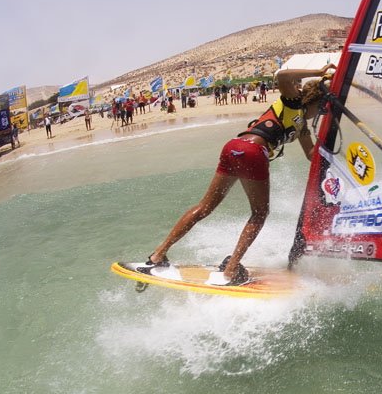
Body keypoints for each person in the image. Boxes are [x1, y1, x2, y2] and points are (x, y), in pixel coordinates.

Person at [139, 63, 336, 285]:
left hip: (234, 147)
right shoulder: (293, 100)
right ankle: (231, 270)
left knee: (205, 207)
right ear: (317, 102)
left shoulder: (302, 128)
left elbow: (311, 154)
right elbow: (283, 75)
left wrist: (332, 143)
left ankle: (157, 256)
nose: (321, 113)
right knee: (260, 214)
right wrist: (319, 74)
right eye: (323, 108)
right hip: (253, 153)